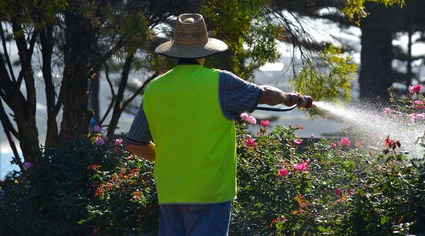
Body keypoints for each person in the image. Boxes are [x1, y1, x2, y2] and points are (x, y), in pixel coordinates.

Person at [125, 13, 312, 236]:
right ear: (206, 50)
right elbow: (265, 95)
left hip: (169, 193)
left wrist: (168, 157)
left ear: (175, 50)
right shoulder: (219, 82)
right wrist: (290, 98)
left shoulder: (155, 88)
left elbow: (134, 143)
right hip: (210, 192)